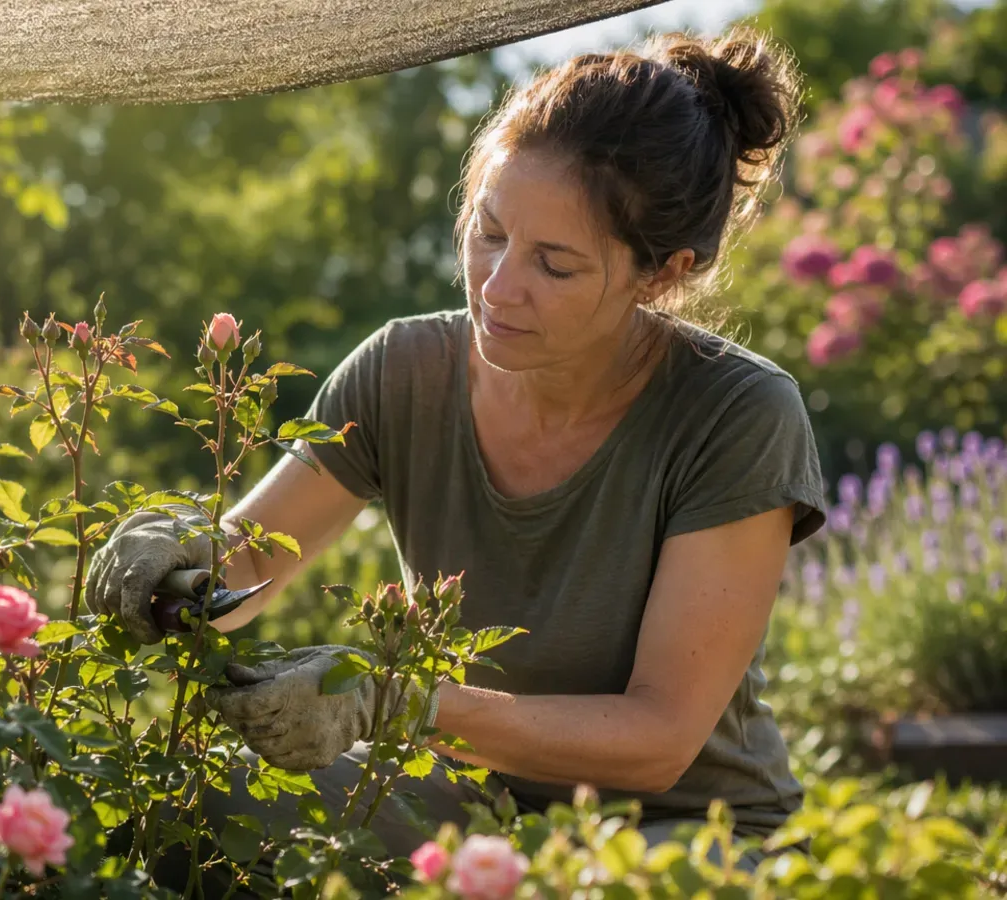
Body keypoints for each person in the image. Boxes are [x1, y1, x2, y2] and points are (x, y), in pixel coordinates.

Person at [87, 26, 826, 892]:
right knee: (192, 813)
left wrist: (398, 702)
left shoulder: (735, 413)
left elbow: (659, 740)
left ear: (661, 276)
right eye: (489, 231)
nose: (497, 287)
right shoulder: (406, 371)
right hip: (474, 801)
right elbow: (250, 559)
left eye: (554, 265)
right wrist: (177, 558)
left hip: (684, 832)